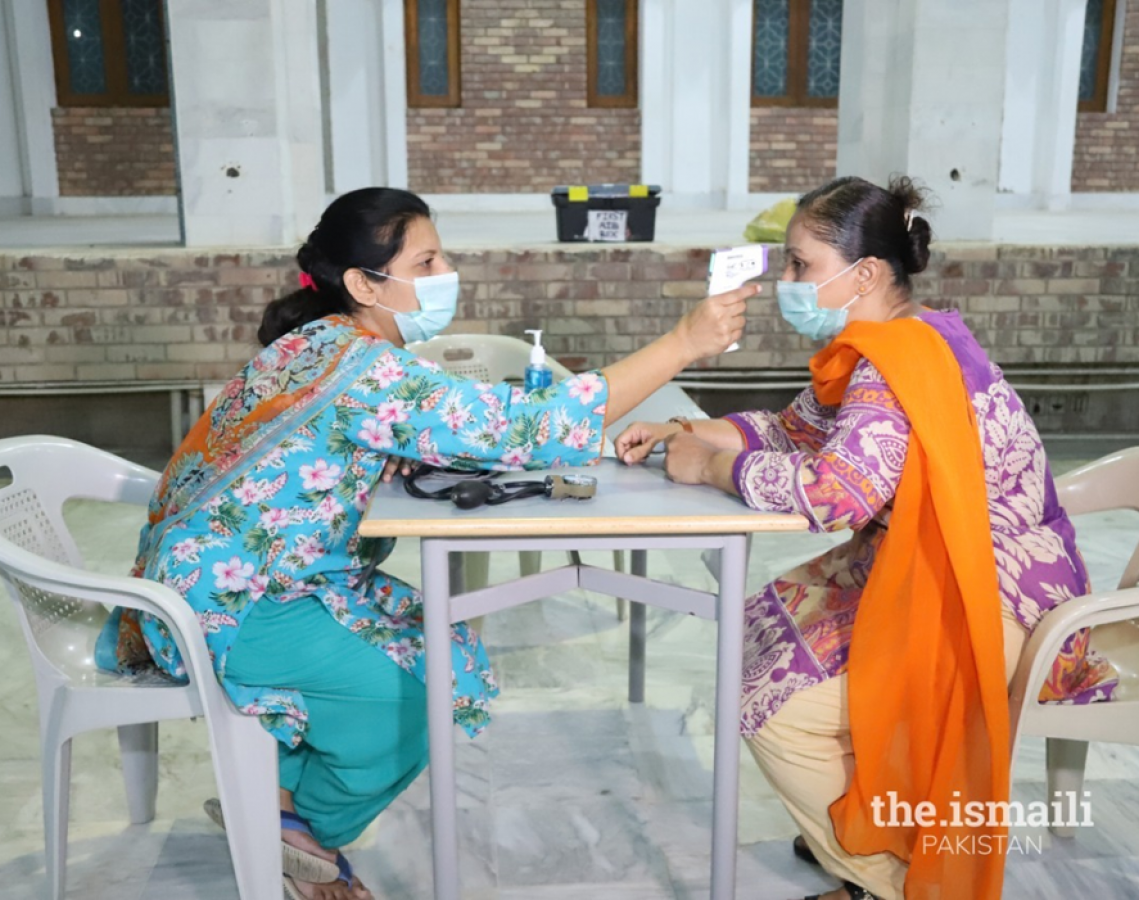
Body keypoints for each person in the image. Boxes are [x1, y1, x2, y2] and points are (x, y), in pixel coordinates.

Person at [98, 187, 754, 900]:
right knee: (423, 690)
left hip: (239, 573)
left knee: (440, 641)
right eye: (427, 258)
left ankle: (276, 802)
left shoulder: (318, 342)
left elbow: (360, 431)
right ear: (362, 284)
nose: (447, 270)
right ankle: (296, 829)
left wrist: (398, 449)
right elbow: (520, 426)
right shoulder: (362, 367)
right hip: (234, 599)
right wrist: (684, 341)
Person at [616, 176, 1116, 900]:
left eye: (799, 266)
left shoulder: (894, 367)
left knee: (768, 706)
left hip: (992, 600)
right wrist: (685, 433)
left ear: (868, 273)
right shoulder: (908, 338)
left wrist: (717, 468)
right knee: (764, 624)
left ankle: (884, 878)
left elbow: (836, 492)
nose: (785, 282)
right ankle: (861, 822)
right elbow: (796, 433)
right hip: (949, 567)